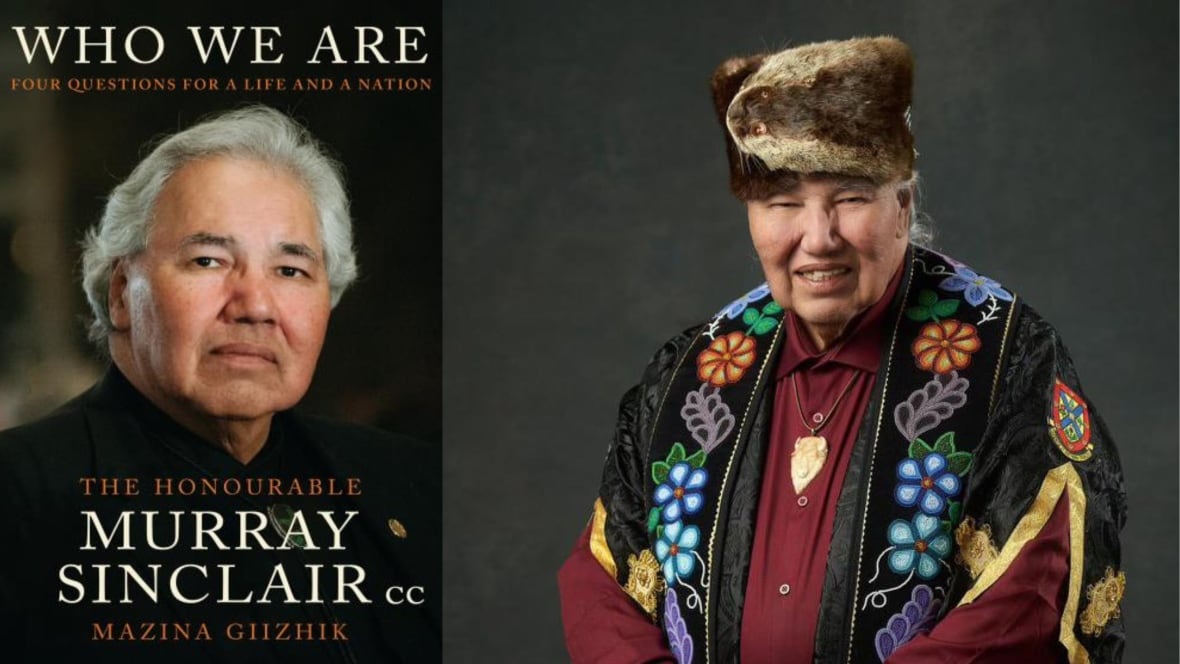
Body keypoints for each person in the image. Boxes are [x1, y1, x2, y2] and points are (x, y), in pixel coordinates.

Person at [558, 36, 1125, 664]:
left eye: (850, 198)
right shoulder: (692, 370)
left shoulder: (1007, 359)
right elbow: (603, 579)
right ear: (752, 216)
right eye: (783, 202)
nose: (818, 238)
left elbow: (1029, 592)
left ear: (903, 205)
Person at [0, 106, 439, 663]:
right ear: (121, 292)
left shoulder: (412, 483)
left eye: (290, 271)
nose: (255, 305)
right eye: (208, 260)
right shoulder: (19, 495)